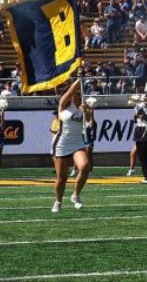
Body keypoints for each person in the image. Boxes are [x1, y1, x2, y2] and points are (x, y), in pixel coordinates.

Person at [50, 78, 92, 212]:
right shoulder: (63, 105)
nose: (78, 96)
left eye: (80, 94)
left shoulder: (82, 108)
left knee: (85, 166)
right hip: (62, 143)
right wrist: (80, 78)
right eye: (76, 94)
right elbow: (70, 91)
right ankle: (58, 201)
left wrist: (88, 113)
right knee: (62, 178)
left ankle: (75, 195)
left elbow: (90, 123)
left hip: (77, 142)